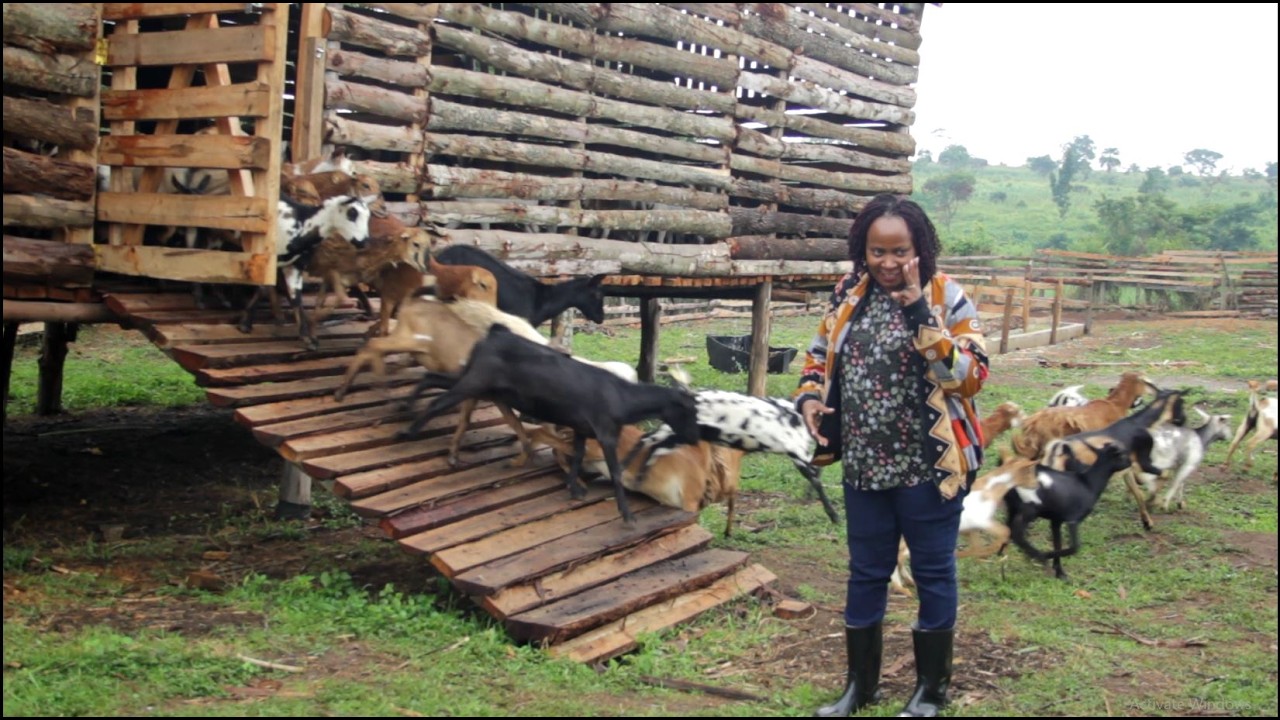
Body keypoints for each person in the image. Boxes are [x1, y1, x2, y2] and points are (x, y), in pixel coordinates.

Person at [793, 194, 988, 718]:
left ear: (918, 248)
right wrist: (811, 397)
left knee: (932, 571)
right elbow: (817, 355)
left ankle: (930, 691)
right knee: (867, 571)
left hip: (930, 466)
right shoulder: (848, 293)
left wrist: (917, 310)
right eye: (877, 251)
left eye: (898, 251)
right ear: (863, 249)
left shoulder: (948, 296)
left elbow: (969, 379)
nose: (886, 263)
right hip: (864, 463)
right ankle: (861, 686)